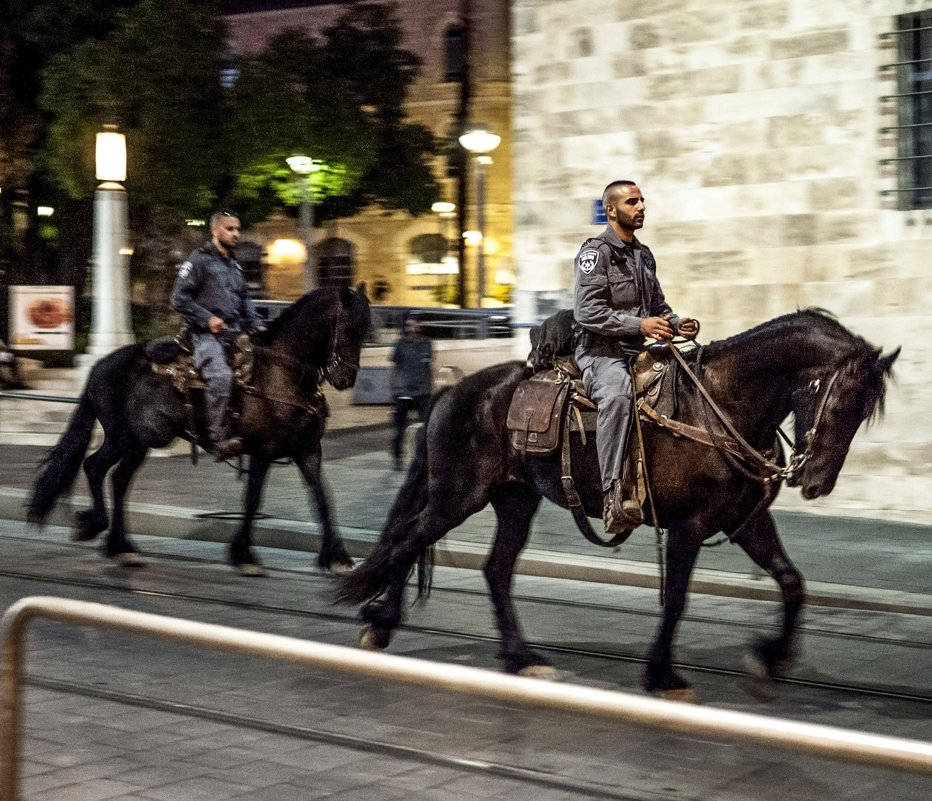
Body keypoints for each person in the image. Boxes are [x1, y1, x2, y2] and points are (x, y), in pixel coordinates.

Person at [574, 180, 699, 534]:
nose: (641, 206)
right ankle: (612, 494)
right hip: (602, 353)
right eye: (632, 202)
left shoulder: (643, 255)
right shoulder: (595, 253)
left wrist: (676, 322)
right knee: (616, 396)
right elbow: (588, 312)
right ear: (611, 210)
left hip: (640, 348)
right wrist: (641, 325)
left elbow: (657, 306)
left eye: (643, 200)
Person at [170, 211, 265, 461]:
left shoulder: (234, 265)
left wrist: (257, 323)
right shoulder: (198, 260)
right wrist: (207, 319)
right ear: (215, 231)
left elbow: (245, 299)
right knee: (221, 377)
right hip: (205, 336)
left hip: (235, 333)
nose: (236, 234)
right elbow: (178, 298)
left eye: (237, 229)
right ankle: (217, 438)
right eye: (229, 229)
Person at [389, 312, 433, 470]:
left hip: (422, 392)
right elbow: (394, 369)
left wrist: (430, 390)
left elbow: (429, 367)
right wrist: (393, 392)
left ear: (421, 325)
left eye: (417, 323)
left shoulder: (427, 343)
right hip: (403, 392)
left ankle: (424, 458)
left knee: (426, 427)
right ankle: (397, 457)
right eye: (411, 323)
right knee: (399, 428)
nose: (413, 326)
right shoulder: (400, 344)